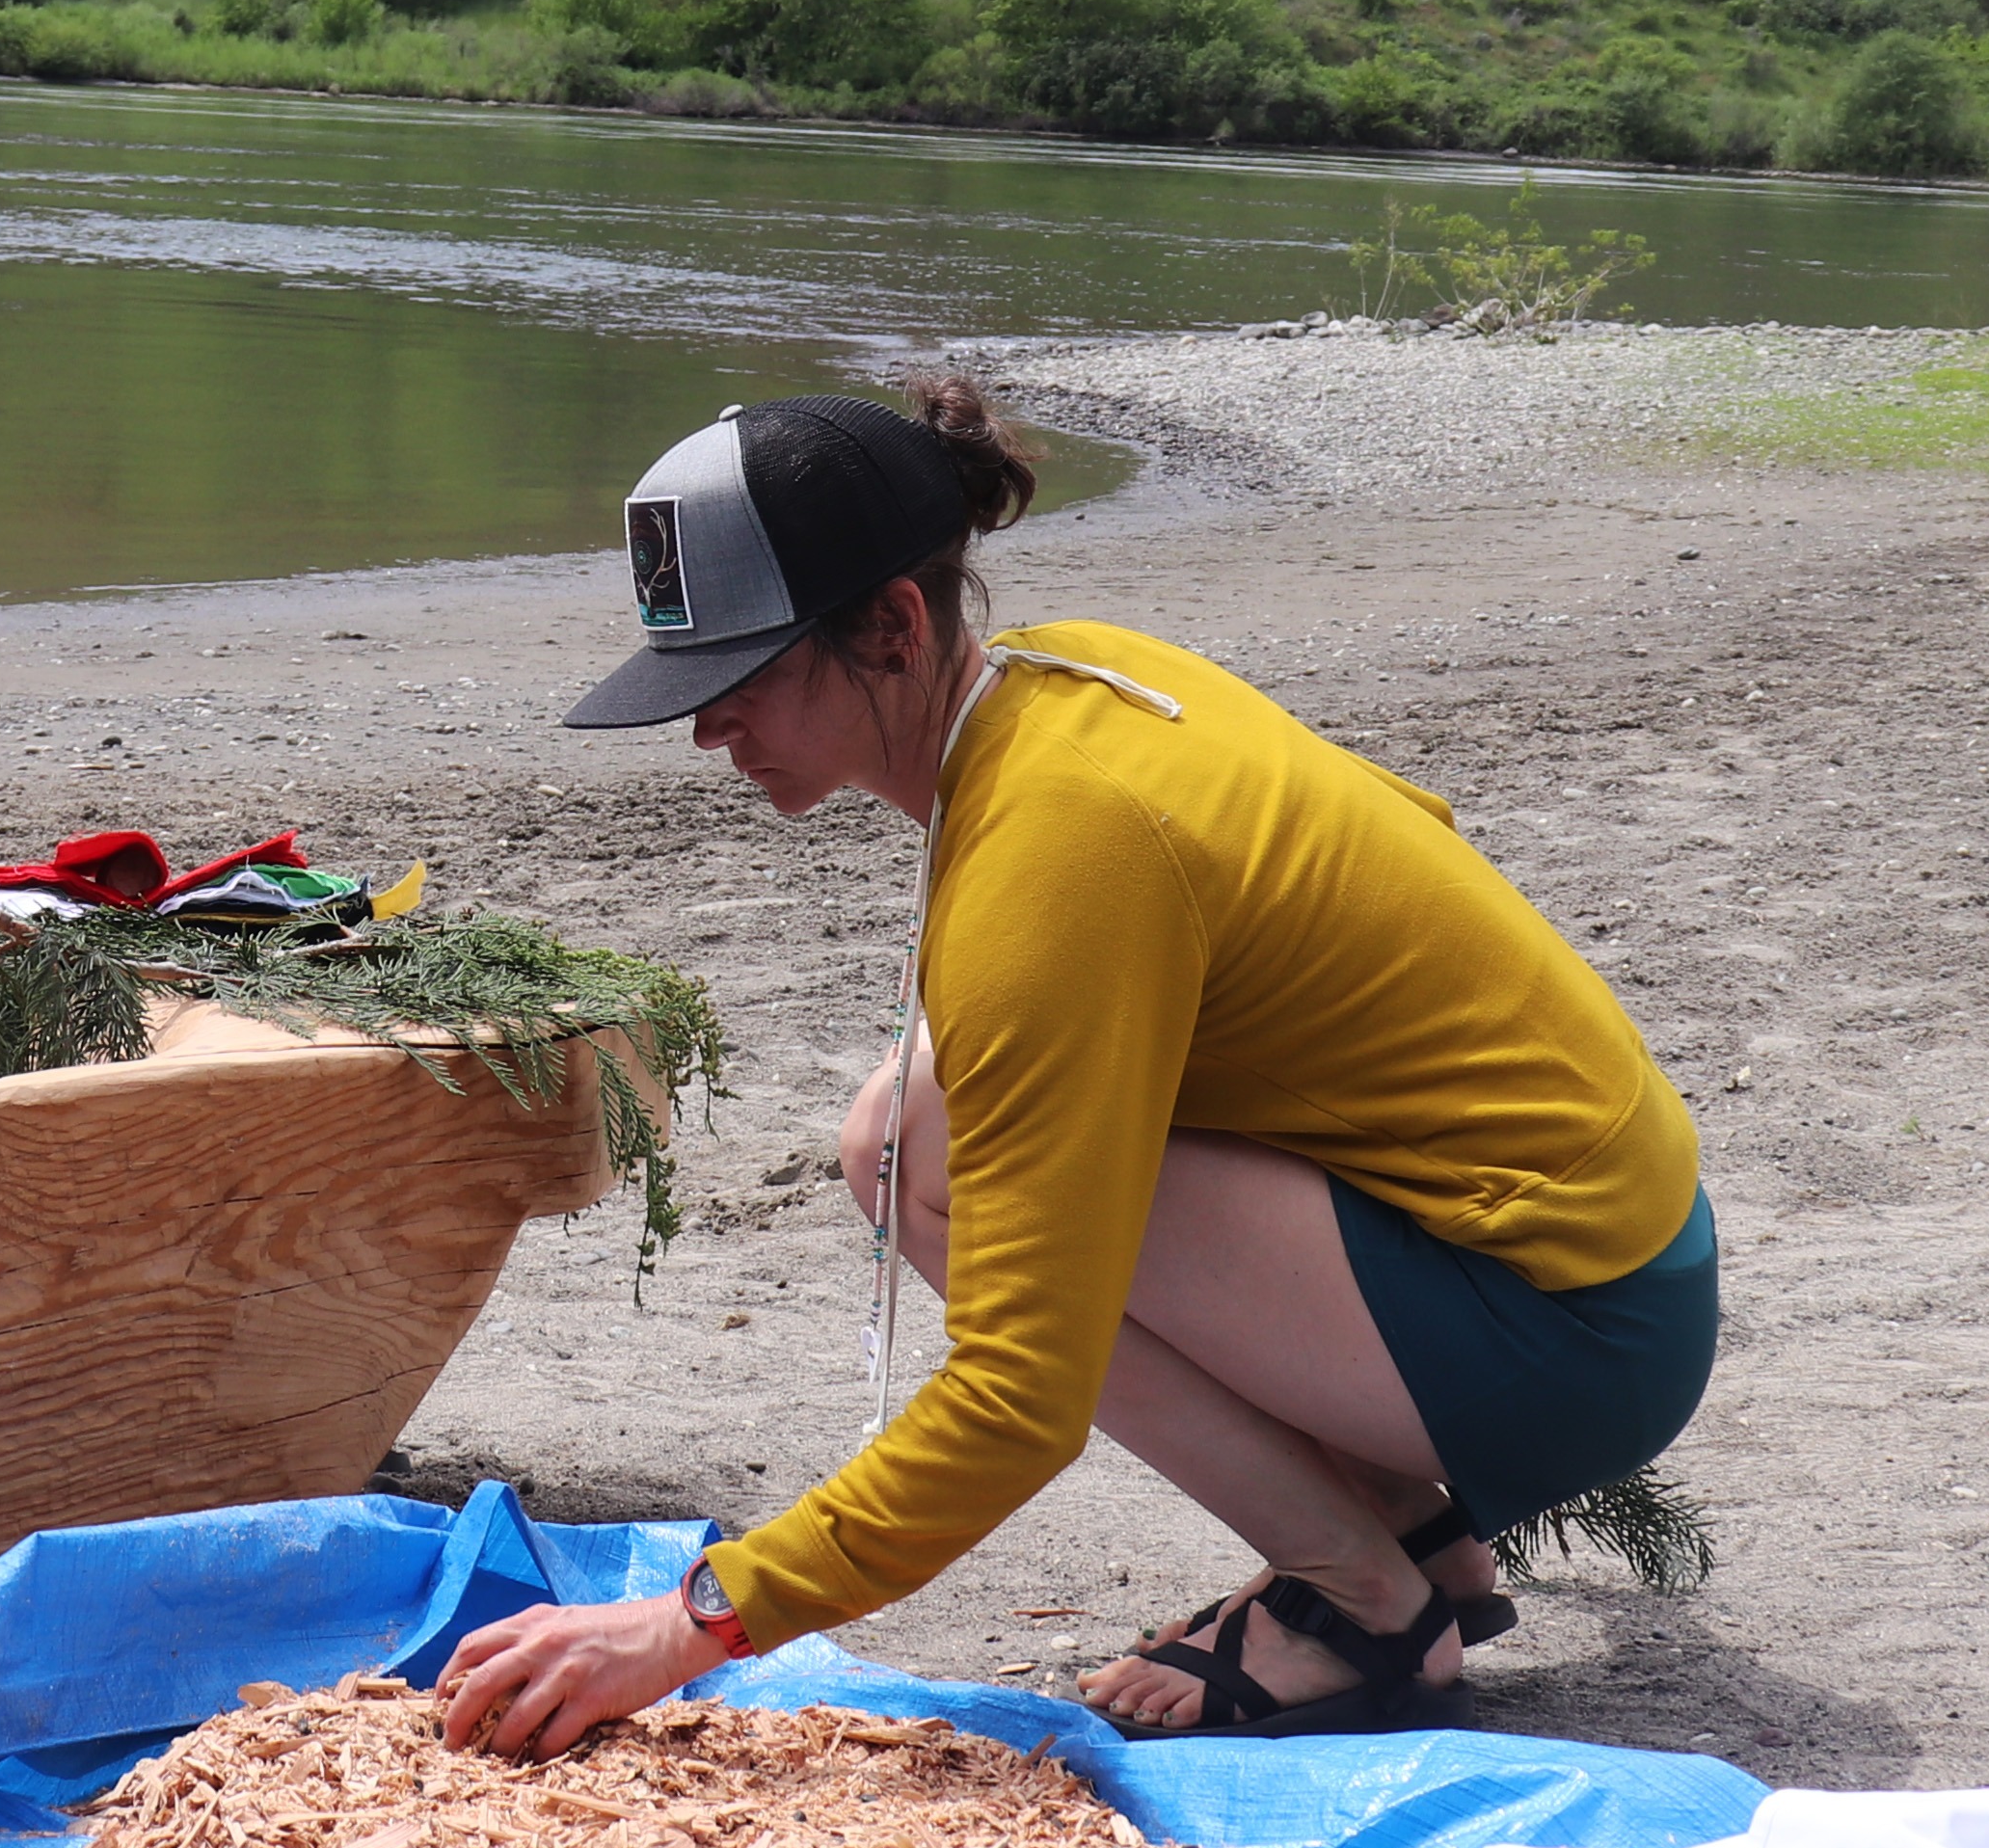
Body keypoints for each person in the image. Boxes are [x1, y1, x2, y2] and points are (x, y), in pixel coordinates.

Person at [435, 383, 1715, 1752]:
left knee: (929, 1163)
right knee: (899, 1132)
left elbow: (1019, 1399)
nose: (707, 731)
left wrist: (690, 1623)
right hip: (1600, 1237)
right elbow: (1406, 828)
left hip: (1574, 1325)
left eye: (738, 680)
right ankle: (1416, 1535)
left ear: (892, 625)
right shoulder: (1065, 674)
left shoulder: (1059, 849)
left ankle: (1363, 1600)